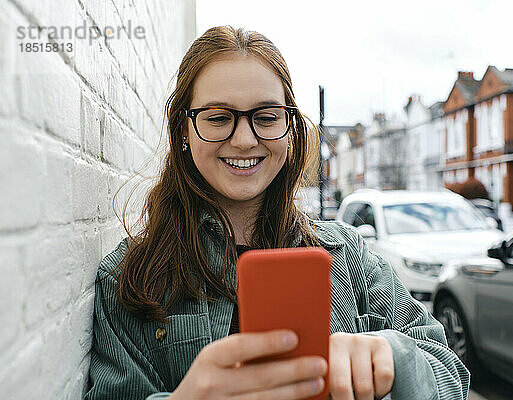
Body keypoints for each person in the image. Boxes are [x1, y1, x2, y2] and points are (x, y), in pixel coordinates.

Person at [84, 26, 470, 400]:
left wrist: (392, 358)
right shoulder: (130, 277)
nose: (245, 139)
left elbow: (451, 375)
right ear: (183, 130)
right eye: (218, 117)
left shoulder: (350, 257)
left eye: (266, 117)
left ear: (289, 127)